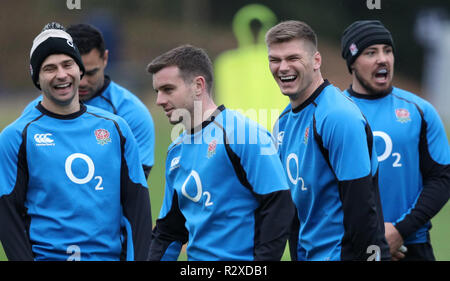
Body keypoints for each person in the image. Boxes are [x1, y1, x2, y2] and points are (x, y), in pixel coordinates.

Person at [0, 22, 152, 261]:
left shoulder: (117, 128)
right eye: (49, 68)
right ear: (36, 77)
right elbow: (7, 216)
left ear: (79, 69)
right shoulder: (16, 136)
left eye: (67, 64)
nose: (61, 74)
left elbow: (137, 209)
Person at [146, 44, 294, 261]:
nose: (159, 100)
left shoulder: (244, 135)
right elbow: (169, 230)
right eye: (157, 92)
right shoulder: (175, 151)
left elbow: (279, 205)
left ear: (198, 85)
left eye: (168, 89)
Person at [265, 20, 390, 261]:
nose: (282, 67)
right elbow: (293, 208)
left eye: (293, 58)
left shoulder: (337, 116)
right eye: (274, 60)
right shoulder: (283, 122)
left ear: (316, 61)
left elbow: (361, 210)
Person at [341, 20, 450, 261]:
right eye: (371, 52)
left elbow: (442, 177)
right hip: (352, 248)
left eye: (387, 50)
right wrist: (369, 235)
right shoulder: (334, 114)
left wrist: (400, 231)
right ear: (352, 63)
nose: (383, 59)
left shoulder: (419, 111)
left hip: (412, 246)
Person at [23, 23, 155, 179]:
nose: (82, 81)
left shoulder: (132, 113)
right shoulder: (33, 114)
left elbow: (134, 185)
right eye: (76, 69)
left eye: (91, 72)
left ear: (105, 58)